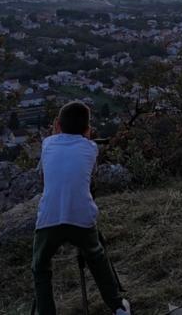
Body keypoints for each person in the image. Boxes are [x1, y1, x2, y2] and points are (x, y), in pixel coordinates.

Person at [31, 101, 131, 315]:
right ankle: (117, 306)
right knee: (97, 258)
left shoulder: (47, 144)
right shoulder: (91, 147)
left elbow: (43, 175)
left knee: (40, 267)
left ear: (57, 125)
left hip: (49, 217)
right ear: (88, 130)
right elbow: (89, 175)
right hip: (81, 217)